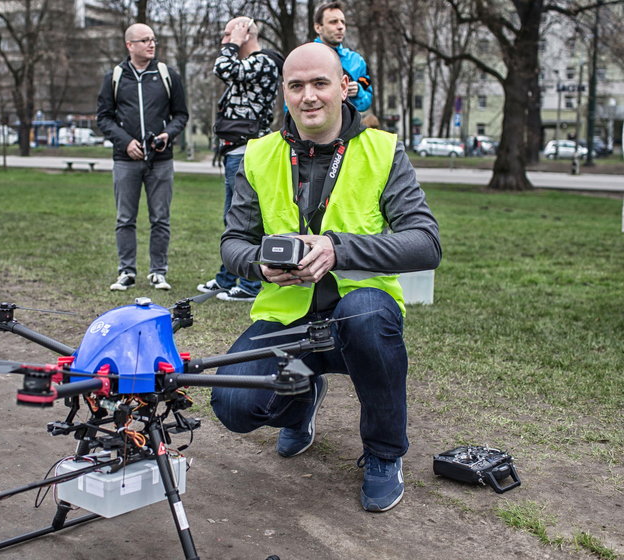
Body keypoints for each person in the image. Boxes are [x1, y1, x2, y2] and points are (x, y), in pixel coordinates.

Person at [210, 42, 441, 513]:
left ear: (343, 87)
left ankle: (383, 453)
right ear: (285, 93)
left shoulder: (382, 149)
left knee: (366, 322)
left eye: (320, 83)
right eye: (296, 86)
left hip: (360, 309)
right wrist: (260, 265)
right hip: (287, 316)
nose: (309, 96)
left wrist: (338, 248)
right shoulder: (259, 155)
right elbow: (232, 244)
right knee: (232, 405)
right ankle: (302, 394)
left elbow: (426, 243)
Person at [97, 23, 188, 292]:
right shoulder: (114, 77)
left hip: (161, 160)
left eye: (153, 40)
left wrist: (166, 136)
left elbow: (181, 115)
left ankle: (158, 272)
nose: (151, 44)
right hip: (125, 160)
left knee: (160, 218)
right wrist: (125, 143)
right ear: (130, 45)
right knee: (125, 219)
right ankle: (126, 271)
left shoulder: (166, 75)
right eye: (145, 40)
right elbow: (103, 117)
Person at [197, 16, 283, 303]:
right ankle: (226, 278)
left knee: (245, 220)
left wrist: (234, 41)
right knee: (232, 220)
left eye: (227, 35)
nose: (224, 42)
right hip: (234, 148)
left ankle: (249, 285)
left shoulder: (263, 62)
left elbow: (222, 67)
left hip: (247, 149)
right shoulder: (248, 67)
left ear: (245, 34)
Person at [313, 1, 373, 112]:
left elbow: (367, 101)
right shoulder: (304, 58)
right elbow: (290, 101)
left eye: (343, 22)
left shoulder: (357, 61)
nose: (340, 27)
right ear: (318, 28)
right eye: (333, 22)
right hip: (312, 127)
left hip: (348, 127)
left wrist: (358, 92)